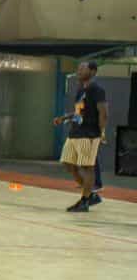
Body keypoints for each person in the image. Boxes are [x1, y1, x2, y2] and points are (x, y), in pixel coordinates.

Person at [56, 61, 107, 213]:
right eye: (78, 68)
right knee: (67, 163)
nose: (78, 71)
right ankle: (90, 195)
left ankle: (84, 201)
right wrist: (64, 118)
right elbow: (80, 112)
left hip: (89, 134)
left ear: (92, 71)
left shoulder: (97, 90)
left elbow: (104, 113)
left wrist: (102, 133)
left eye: (82, 68)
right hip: (75, 132)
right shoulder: (80, 90)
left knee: (87, 167)